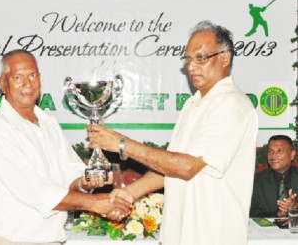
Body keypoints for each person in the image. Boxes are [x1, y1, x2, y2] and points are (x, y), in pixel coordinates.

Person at [87, 20, 259, 245]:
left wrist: (122, 144)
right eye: (187, 59)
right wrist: (131, 191)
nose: (191, 66)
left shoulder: (231, 105)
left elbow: (187, 167)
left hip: (212, 237)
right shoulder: (193, 104)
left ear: (225, 58)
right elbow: (170, 166)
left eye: (200, 58)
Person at [0, 49, 131, 245]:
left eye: (33, 75)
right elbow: (36, 191)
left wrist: (86, 182)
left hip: (50, 239)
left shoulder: (48, 123)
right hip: (8, 239)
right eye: (18, 77)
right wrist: (97, 203)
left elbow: (70, 171)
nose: (27, 83)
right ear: (2, 83)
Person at [250, 135, 298, 218]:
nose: (273, 156)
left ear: (292, 154)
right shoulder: (256, 181)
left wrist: (295, 207)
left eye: (279, 151)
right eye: (270, 151)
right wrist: (277, 214)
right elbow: (250, 213)